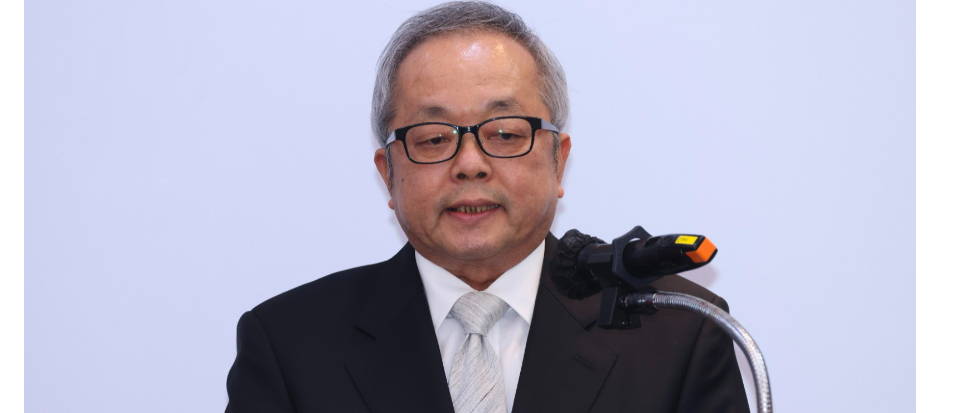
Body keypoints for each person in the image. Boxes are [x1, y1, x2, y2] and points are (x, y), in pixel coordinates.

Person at [224, 2, 749, 412]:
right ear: (388, 173)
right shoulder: (290, 345)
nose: (470, 165)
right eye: (433, 138)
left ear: (558, 161)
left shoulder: (680, 330)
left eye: (504, 133)